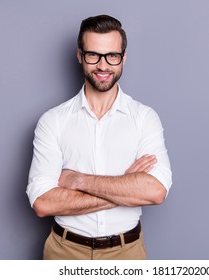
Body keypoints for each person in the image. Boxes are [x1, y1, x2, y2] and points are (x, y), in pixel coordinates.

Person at [26, 15, 172, 260]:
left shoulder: (144, 118)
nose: (103, 66)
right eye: (93, 55)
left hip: (128, 253)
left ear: (123, 57)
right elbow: (43, 203)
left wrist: (77, 180)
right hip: (65, 252)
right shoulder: (53, 121)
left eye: (112, 56)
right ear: (80, 56)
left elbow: (155, 191)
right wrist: (124, 185)